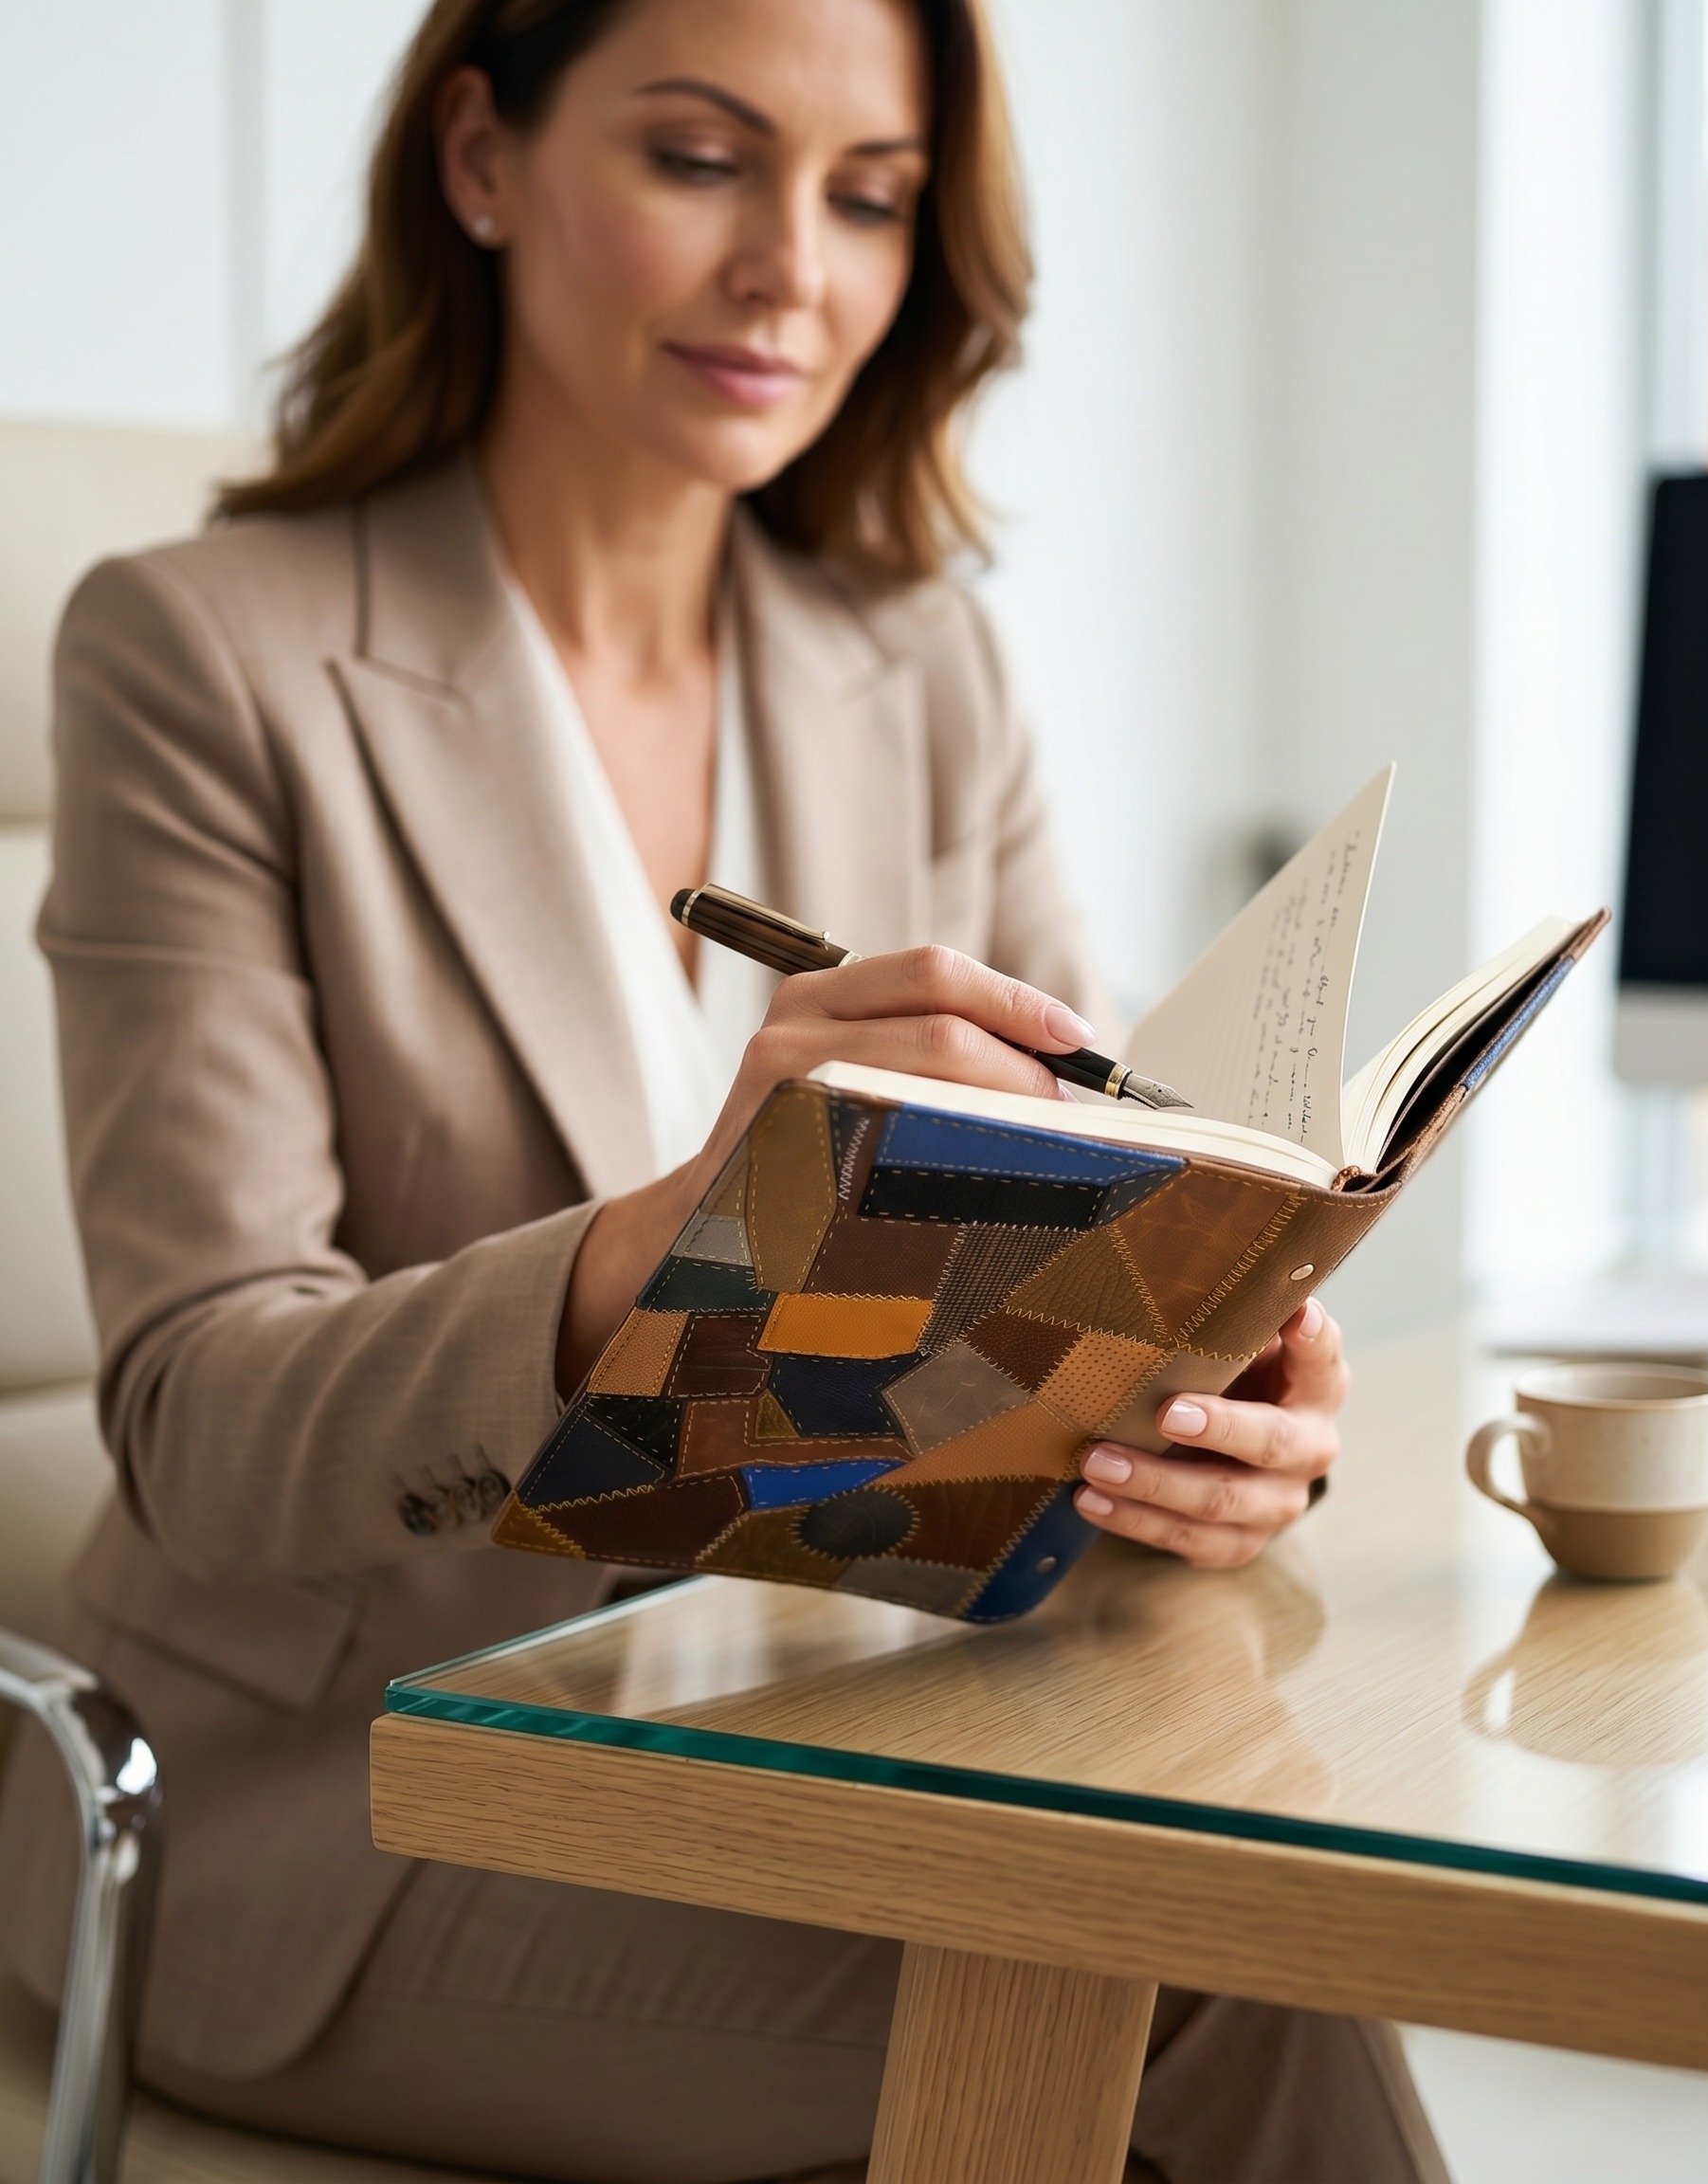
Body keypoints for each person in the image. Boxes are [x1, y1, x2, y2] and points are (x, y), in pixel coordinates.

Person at [0, 0, 1447, 2176]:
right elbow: (203, 1426)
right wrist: (668, 1250)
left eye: (870, 198)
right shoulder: (201, 657)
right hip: (336, 1805)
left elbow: (1095, 1193)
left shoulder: (918, 663)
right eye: (700, 158)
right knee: (1183, 1977)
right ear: (481, 158)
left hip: (816, 1727)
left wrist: (1225, 1397)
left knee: (1244, 1912)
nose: (798, 264)